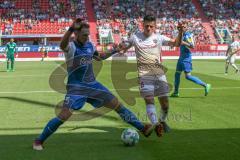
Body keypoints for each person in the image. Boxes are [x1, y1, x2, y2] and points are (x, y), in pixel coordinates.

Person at [33, 19, 154, 151]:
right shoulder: (72, 47)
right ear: (76, 34)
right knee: (64, 115)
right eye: (84, 35)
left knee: (117, 105)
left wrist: (115, 50)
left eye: (87, 34)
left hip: (93, 85)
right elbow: (63, 46)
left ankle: (143, 128)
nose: (87, 37)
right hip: (77, 88)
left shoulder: (89, 45)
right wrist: (70, 29)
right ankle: (39, 140)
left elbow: (100, 57)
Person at [118, 15, 184, 137]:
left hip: (159, 73)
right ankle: (156, 124)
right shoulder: (135, 37)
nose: (148, 28)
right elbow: (123, 48)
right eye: (146, 25)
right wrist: (121, 49)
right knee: (149, 100)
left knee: (165, 104)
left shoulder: (159, 37)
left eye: (151, 26)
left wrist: (180, 32)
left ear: (154, 27)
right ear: (143, 25)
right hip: (144, 74)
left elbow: (177, 44)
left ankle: (162, 121)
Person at [171, 23, 211, 97]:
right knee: (177, 74)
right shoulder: (181, 35)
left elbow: (193, 46)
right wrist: (173, 44)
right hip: (181, 57)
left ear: (186, 28)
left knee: (188, 76)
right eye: (181, 27)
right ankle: (176, 92)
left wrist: (183, 42)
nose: (182, 28)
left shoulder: (188, 35)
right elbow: (177, 42)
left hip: (186, 58)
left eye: (184, 27)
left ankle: (205, 85)